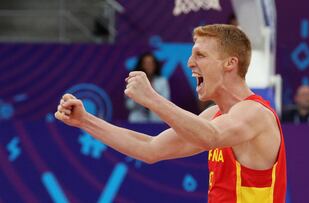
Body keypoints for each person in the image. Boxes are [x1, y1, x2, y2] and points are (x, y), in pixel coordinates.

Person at [55, 24, 286, 202]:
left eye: (200, 55)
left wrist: (152, 98)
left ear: (230, 63)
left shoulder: (256, 113)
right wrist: (85, 121)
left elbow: (211, 137)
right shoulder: (215, 115)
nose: (189, 63)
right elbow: (150, 149)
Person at [125, 52, 170, 122]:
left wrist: (152, 91)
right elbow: (129, 105)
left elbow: (166, 102)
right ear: (141, 65)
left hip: (157, 120)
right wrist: (139, 95)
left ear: (155, 65)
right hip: (137, 120)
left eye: (151, 63)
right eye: (146, 63)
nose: (149, 66)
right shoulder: (134, 80)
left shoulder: (162, 81)